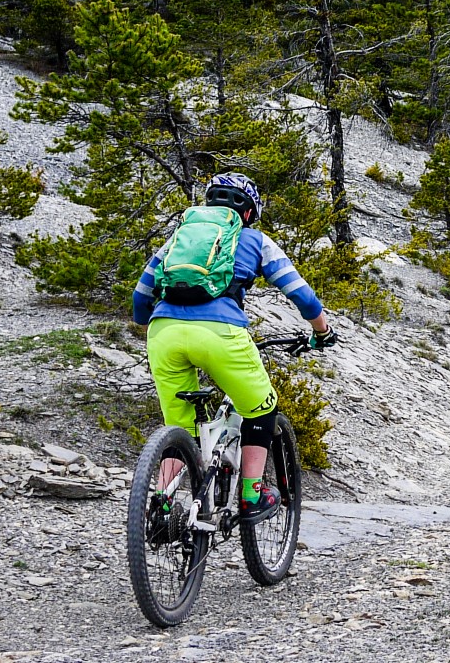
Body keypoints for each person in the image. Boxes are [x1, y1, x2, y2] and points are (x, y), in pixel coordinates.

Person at [132, 173, 336, 524]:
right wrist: (322, 330)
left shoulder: (178, 239)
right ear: (250, 213)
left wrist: (156, 322)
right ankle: (251, 497)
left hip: (163, 333)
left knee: (180, 426)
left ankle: (162, 507)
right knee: (261, 408)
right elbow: (301, 294)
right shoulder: (255, 240)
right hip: (221, 333)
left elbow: (140, 298)